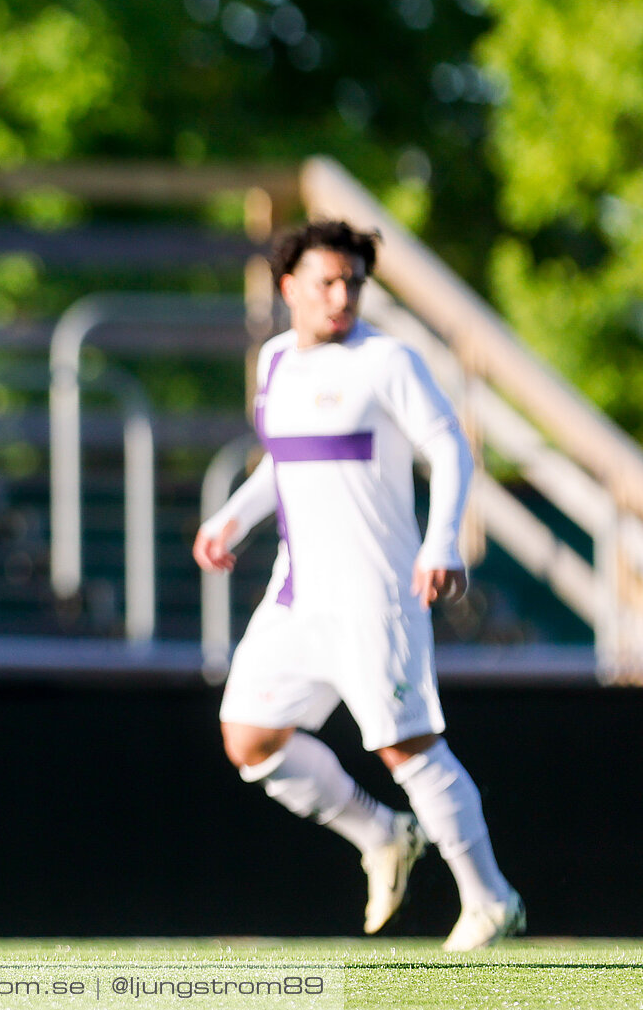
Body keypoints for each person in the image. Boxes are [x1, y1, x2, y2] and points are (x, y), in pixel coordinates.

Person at [193, 220, 522, 950]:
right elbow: (284, 462)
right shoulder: (276, 360)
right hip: (297, 592)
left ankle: (490, 898)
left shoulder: (388, 361)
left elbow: (447, 445)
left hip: (378, 594)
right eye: (326, 282)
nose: (342, 296)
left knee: (408, 749)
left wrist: (442, 539)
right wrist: (232, 518)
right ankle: (380, 833)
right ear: (289, 289)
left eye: (353, 283)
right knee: (249, 737)